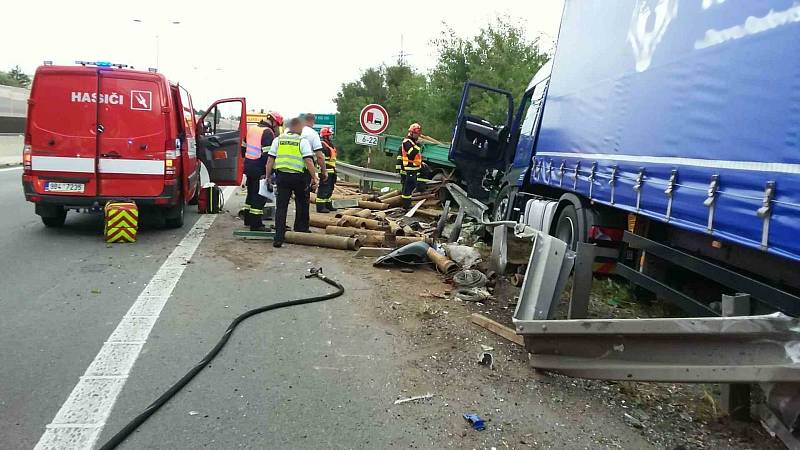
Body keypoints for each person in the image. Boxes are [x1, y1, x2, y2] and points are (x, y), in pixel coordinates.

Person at [265, 117, 319, 248]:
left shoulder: (278, 140)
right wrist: (314, 177)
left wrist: (267, 176)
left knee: (281, 207)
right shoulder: (302, 141)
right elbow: (309, 161)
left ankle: (279, 237)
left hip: (282, 177)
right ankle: (301, 230)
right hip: (299, 178)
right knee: (301, 203)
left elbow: (270, 160)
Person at [241, 111, 283, 231]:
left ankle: (248, 219)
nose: (277, 128)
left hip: (249, 165)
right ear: (274, 122)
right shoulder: (268, 132)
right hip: (259, 167)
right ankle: (256, 224)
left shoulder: (252, 129)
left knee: (250, 194)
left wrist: (248, 160)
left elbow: (243, 148)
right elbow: (268, 155)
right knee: (260, 196)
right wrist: (268, 172)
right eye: (277, 125)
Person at [400, 123, 423, 209]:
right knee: (407, 189)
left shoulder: (413, 142)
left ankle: (407, 204)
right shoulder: (407, 142)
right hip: (409, 168)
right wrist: (418, 145)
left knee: (410, 187)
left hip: (414, 168)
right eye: (417, 134)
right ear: (411, 133)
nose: (418, 136)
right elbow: (411, 154)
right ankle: (406, 206)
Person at [315, 127, 338, 212]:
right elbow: (321, 158)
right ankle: (320, 206)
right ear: (325, 136)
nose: (331, 137)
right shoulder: (322, 145)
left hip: (331, 170)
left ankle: (328, 204)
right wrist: (323, 171)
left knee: (330, 189)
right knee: (323, 189)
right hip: (325, 170)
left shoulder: (329, 144)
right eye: (330, 135)